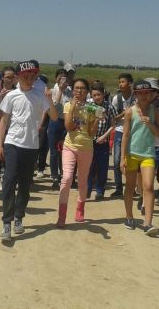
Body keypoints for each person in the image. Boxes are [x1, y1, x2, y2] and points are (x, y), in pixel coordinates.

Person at [0, 60, 57, 241]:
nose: (30, 79)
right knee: (9, 181)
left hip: (31, 145)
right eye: (26, 76)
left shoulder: (40, 95)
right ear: (18, 77)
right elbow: (4, 121)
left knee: (25, 184)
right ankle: (6, 222)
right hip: (12, 142)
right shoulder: (11, 96)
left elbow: (54, 117)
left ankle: (19, 217)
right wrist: (0, 144)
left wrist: (49, 99)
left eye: (33, 76)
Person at [120, 80, 159, 236]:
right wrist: (122, 158)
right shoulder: (129, 112)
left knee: (148, 186)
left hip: (148, 154)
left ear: (151, 94)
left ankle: (148, 223)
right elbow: (125, 135)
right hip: (132, 153)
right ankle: (129, 217)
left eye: (147, 93)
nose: (144, 96)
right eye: (140, 93)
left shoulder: (155, 111)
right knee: (130, 186)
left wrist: (150, 123)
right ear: (136, 94)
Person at [56, 78, 98, 228]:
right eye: (76, 88)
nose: (79, 91)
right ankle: (62, 215)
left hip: (86, 148)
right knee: (66, 178)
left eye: (82, 88)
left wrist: (97, 119)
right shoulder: (68, 105)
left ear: (87, 91)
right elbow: (68, 127)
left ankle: (80, 208)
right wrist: (73, 108)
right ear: (73, 90)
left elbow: (92, 133)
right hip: (70, 146)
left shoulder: (91, 108)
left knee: (82, 180)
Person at [86, 81, 115, 200]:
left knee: (102, 168)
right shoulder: (88, 105)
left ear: (103, 94)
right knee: (89, 167)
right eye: (94, 95)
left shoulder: (109, 107)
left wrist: (104, 136)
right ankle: (87, 190)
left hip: (103, 142)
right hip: (89, 141)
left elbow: (113, 125)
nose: (97, 97)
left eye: (99, 94)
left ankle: (100, 190)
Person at [110, 73, 135, 197]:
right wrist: (126, 112)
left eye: (123, 82)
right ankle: (119, 188)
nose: (120, 84)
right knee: (116, 161)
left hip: (133, 132)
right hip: (120, 131)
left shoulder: (136, 97)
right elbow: (113, 118)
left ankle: (132, 187)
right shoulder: (116, 98)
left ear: (129, 83)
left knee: (131, 161)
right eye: (119, 82)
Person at [0, 66, 16, 191]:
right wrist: (0, 97)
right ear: (2, 78)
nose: (9, 79)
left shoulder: (18, 92)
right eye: (7, 77)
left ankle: (7, 178)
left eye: (12, 77)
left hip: (12, 127)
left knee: (9, 154)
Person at [47, 68, 72, 188]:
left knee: (65, 150)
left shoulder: (70, 91)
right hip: (55, 121)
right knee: (53, 151)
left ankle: (64, 175)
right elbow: (55, 106)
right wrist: (61, 91)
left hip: (66, 121)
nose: (62, 80)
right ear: (55, 78)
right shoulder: (52, 91)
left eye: (64, 78)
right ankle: (54, 176)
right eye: (59, 77)